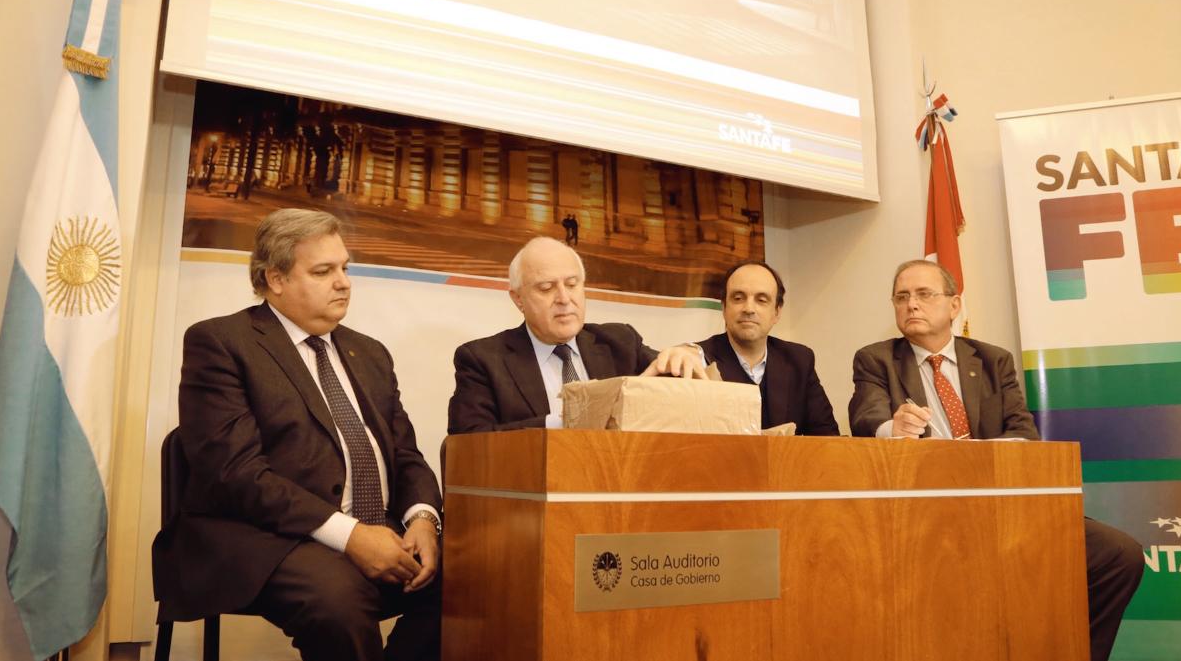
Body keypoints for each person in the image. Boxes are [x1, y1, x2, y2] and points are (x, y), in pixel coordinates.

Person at [152, 209, 442, 661]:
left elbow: (405, 454)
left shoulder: (369, 353)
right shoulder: (222, 343)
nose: (343, 283)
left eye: (345, 268)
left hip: (377, 528)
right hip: (266, 537)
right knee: (340, 602)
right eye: (323, 271)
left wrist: (423, 519)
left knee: (482, 576)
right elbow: (235, 474)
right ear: (276, 279)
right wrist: (351, 536)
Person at [848, 259, 1144, 661]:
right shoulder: (876, 359)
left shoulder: (992, 360)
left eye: (923, 294)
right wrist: (893, 428)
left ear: (954, 305)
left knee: (1118, 554)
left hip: (1001, 503)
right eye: (902, 297)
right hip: (927, 511)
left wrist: (978, 461)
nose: (911, 304)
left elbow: (1023, 432)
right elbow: (867, 419)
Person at [448, 236, 703, 433]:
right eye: (546, 288)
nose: (564, 298)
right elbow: (469, 439)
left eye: (572, 284)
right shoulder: (483, 360)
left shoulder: (620, 342)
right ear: (518, 299)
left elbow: (673, 382)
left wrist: (686, 354)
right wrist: (568, 420)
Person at [696, 261, 839, 435]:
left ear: (777, 312)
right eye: (738, 298)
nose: (749, 309)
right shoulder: (698, 360)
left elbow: (827, 438)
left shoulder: (799, 361)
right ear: (724, 307)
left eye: (761, 300)